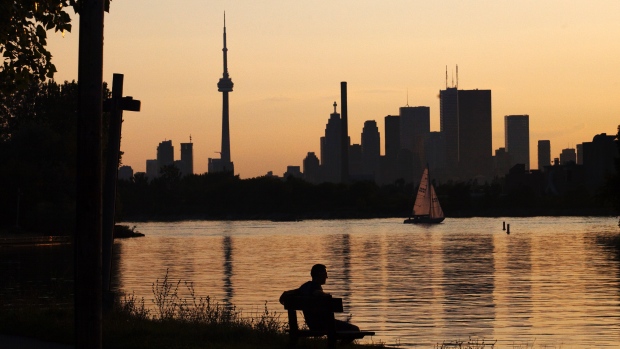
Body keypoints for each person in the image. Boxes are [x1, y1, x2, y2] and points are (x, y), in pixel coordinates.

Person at [298, 264, 360, 344]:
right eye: (325, 274)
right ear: (319, 275)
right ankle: (340, 346)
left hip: (312, 324)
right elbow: (316, 293)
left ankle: (338, 345)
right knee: (355, 330)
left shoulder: (304, 287)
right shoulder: (315, 287)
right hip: (324, 324)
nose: (326, 277)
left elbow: (290, 294)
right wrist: (326, 295)